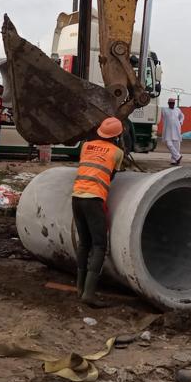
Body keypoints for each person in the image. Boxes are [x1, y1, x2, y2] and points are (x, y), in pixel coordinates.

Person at [72, 117, 125, 308]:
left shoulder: (86, 146)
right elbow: (111, 176)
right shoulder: (117, 152)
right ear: (117, 136)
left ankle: (79, 288)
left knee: (84, 242)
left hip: (76, 197)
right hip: (94, 200)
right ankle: (89, 293)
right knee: (100, 245)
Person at [162, 99, 185, 165]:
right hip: (168, 130)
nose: (172, 104)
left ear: (174, 103)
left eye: (173, 103)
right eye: (170, 103)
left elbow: (182, 116)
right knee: (169, 144)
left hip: (177, 129)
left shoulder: (177, 110)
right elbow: (163, 119)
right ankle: (178, 156)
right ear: (168, 103)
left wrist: (181, 121)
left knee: (176, 146)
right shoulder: (164, 109)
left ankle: (174, 161)